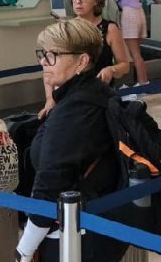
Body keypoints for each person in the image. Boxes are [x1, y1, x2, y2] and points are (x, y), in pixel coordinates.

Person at [15, 19, 127, 262]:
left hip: (74, 237)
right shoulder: (91, 94)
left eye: (53, 55)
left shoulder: (75, 111)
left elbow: (50, 184)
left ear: (82, 61)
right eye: (43, 54)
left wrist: (24, 249)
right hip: (95, 226)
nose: (44, 62)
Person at [40, 0, 131, 117]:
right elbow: (49, 68)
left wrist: (111, 69)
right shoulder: (67, 29)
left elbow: (125, 65)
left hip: (99, 97)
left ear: (96, 0)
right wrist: (50, 99)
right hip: (70, 98)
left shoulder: (110, 29)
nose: (78, 2)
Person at [107, 0, 149, 85]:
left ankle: (143, 83)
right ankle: (143, 81)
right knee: (137, 53)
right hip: (140, 14)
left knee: (135, 54)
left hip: (129, 15)